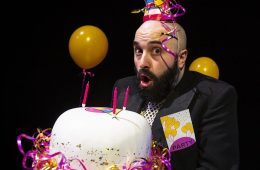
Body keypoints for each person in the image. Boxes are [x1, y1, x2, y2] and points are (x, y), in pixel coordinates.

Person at [112, 2, 240, 169]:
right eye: (138, 51)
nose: (143, 63)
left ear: (181, 58)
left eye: (156, 51)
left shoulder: (212, 98)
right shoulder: (123, 89)